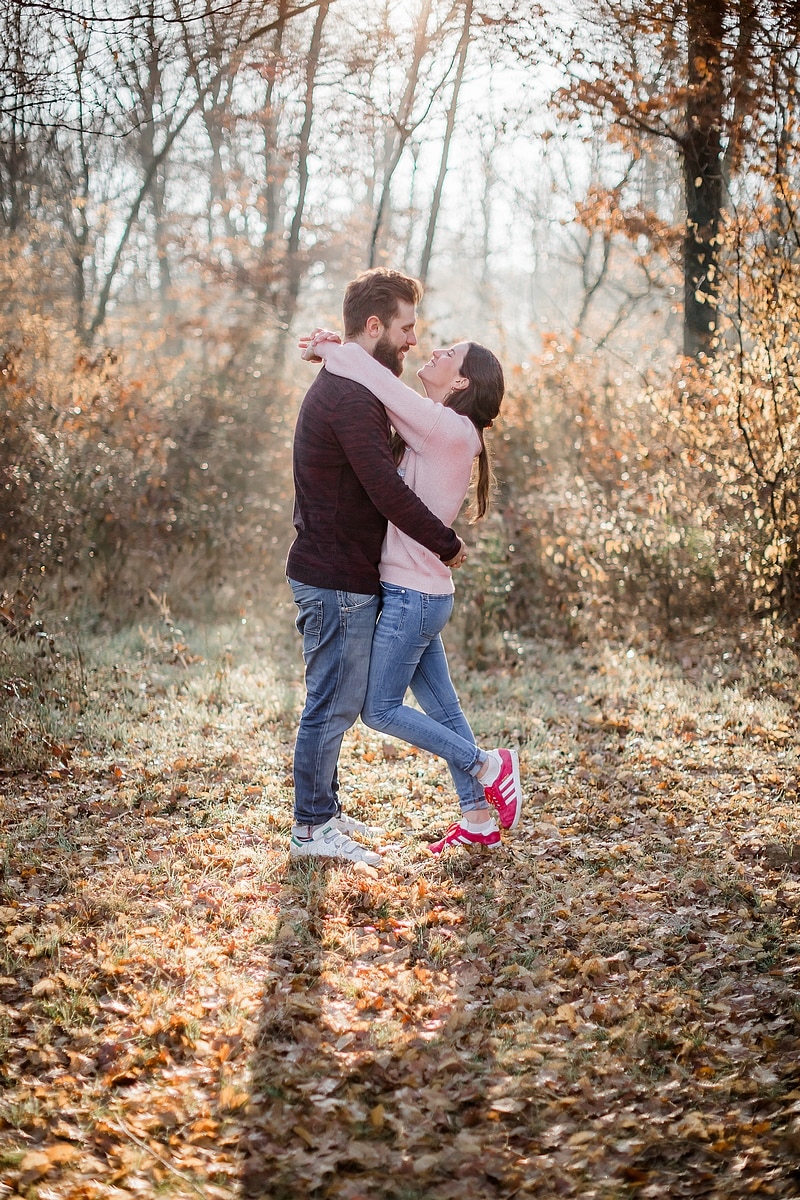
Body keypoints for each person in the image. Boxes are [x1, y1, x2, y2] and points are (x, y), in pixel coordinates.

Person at [303, 332, 523, 854]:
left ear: (462, 381)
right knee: (443, 710)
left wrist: (334, 350)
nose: (435, 352)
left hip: (412, 597)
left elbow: (378, 382)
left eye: (449, 354)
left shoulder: (444, 426)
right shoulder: (444, 426)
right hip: (420, 593)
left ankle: (490, 765)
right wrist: (341, 348)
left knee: (379, 710)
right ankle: (477, 818)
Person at [286, 268, 467, 866]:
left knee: (336, 699)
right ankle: (312, 827)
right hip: (333, 574)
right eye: (405, 327)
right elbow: (386, 488)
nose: (413, 340)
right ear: (374, 326)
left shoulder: (354, 382)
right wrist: (445, 542)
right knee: (332, 703)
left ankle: (324, 812)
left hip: (342, 570)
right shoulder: (347, 395)